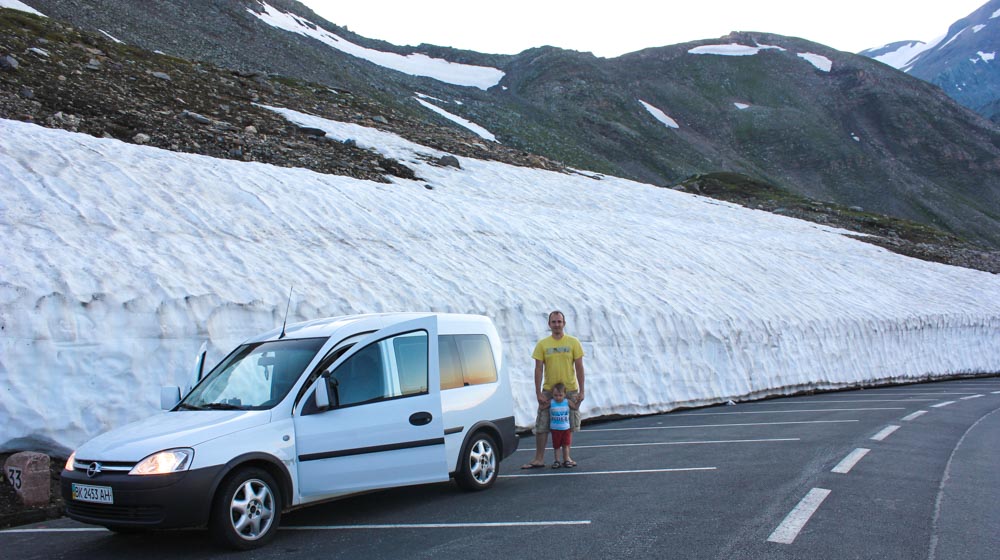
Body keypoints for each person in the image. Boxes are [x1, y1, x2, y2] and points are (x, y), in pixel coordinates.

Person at [521, 310, 585, 469]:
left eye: (559, 321)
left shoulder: (573, 342)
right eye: (554, 322)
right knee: (542, 424)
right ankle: (539, 458)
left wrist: (581, 391)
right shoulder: (543, 344)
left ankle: (566, 457)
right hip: (549, 391)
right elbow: (538, 369)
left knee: (567, 424)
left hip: (569, 390)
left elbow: (579, 367)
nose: (557, 324)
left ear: (564, 323)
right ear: (549, 324)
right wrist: (538, 393)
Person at [548, 382, 580, 468]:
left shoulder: (567, 402)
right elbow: (542, 407)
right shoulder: (551, 402)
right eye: (555, 395)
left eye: (560, 395)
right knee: (556, 446)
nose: (558, 397)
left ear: (564, 394)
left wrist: (579, 401)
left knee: (566, 445)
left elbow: (575, 407)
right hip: (555, 429)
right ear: (552, 395)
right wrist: (541, 400)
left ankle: (566, 460)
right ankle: (557, 461)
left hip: (566, 428)